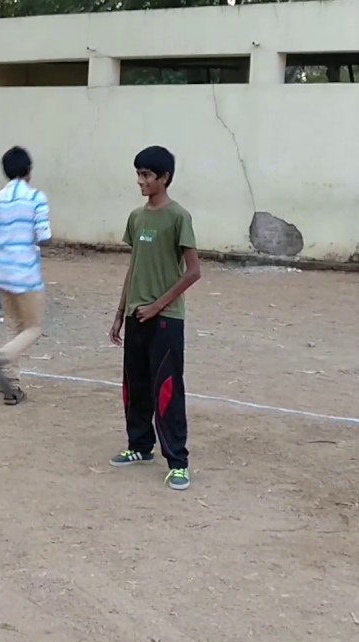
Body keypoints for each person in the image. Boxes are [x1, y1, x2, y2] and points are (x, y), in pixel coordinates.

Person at [108, 146, 202, 491]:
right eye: (138, 174)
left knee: (167, 388)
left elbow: (193, 272)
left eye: (147, 175)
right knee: (135, 386)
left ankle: (178, 462)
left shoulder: (179, 217)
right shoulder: (137, 218)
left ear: (165, 178)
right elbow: (134, 267)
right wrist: (120, 313)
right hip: (136, 317)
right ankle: (139, 446)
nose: (141, 181)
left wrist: (158, 306)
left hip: (165, 320)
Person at [0, 146, 52, 405]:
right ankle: (0, 357)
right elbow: (45, 236)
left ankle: (13, 387)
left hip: (0, 272)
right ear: (29, 171)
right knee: (33, 328)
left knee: (14, 328)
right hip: (26, 273)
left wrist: (4, 240)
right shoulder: (35, 198)